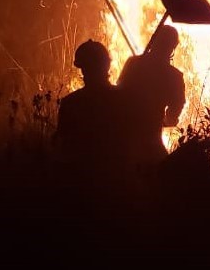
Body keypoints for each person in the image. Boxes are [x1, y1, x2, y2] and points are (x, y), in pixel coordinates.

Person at [55, 39, 130, 189]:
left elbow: (64, 145)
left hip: (83, 181)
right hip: (117, 179)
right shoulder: (123, 99)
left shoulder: (71, 102)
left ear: (83, 69)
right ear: (107, 65)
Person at [116, 25, 186, 168]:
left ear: (154, 41)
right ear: (173, 47)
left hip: (123, 136)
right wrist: (164, 121)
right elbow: (174, 113)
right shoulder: (174, 76)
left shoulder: (133, 63)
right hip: (150, 140)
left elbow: (119, 91)